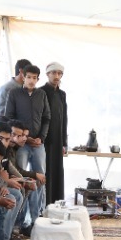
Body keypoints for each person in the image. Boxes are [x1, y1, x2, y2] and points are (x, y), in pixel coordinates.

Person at [39, 62, 68, 204]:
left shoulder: (62, 94)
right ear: (47, 74)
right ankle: (44, 204)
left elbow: (64, 119)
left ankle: (57, 204)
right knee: (45, 171)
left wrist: (64, 143)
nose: (56, 76)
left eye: (59, 73)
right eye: (54, 73)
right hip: (45, 139)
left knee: (57, 172)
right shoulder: (41, 92)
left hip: (58, 140)